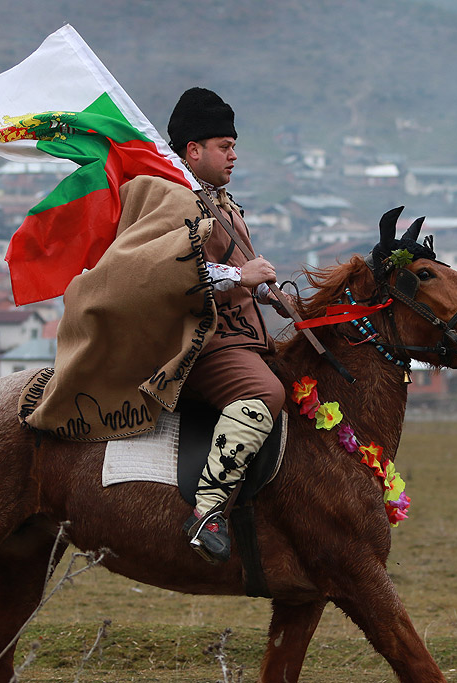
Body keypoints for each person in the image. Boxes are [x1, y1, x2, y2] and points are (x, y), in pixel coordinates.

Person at [167, 88, 289, 564]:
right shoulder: (170, 197)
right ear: (193, 150)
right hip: (201, 341)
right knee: (265, 393)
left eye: (234, 146)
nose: (234, 155)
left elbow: (235, 272)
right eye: (224, 146)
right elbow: (170, 271)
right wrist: (241, 276)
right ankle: (207, 510)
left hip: (242, 334)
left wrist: (266, 292)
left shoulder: (224, 202)